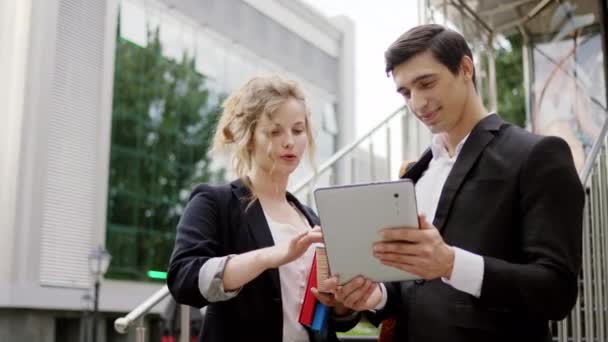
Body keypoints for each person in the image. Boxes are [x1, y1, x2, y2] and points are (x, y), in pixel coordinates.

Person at [326, 24, 585, 342]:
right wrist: (372, 295)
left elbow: (556, 290)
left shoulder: (538, 155)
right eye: (406, 92)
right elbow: (411, 287)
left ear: (465, 68)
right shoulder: (415, 173)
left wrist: (451, 264)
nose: (417, 104)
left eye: (426, 83)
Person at [167, 75, 356, 342]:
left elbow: (332, 320)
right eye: (274, 131)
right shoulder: (214, 202)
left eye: (298, 130)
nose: (289, 141)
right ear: (249, 137)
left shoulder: (310, 218)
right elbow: (183, 279)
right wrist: (270, 256)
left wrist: (339, 302)